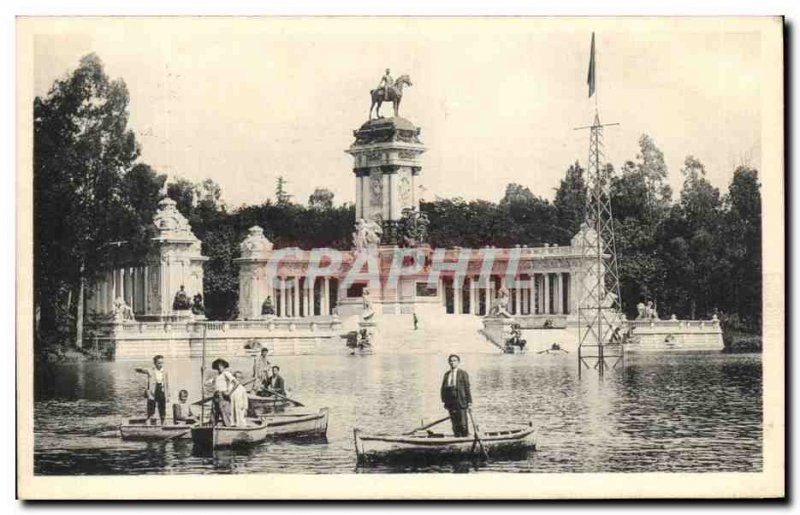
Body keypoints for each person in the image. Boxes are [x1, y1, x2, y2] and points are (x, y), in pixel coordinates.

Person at [209, 358, 249, 427]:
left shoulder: (226, 373)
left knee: (225, 415)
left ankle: (228, 430)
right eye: (218, 366)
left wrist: (229, 393)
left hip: (222, 396)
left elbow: (236, 383)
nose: (219, 367)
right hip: (216, 396)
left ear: (224, 367)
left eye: (221, 366)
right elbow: (208, 383)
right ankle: (212, 430)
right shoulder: (217, 376)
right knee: (214, 415)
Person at [440, 354, 472, 437]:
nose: (452, 362)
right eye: (450, 361)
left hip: (461, 401)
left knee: (463, 423)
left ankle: (465, 439)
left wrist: (469, 402)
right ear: (448, 362)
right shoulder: (447, 374)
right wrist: (444, 401)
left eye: (454, 361)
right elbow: (443, 388)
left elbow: (467, 388)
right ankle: (457, 438)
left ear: (458, 362)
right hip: (451, 402)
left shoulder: (463, 373)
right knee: (454, 423)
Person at [135, 355, 170, 425]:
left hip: (161, 390)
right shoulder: (151, 370)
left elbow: (166, 383)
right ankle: (148, 422)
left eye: (162, 363)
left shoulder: (164, 371)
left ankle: (163, 422)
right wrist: (139, 369)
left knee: (162, 407)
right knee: (151, 407)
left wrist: (167, 394)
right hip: (153, 390)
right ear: (155, 363)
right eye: (159, 363)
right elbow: (140, 370)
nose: (160, 365)